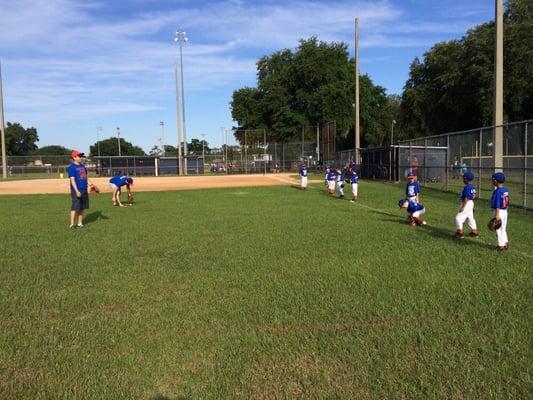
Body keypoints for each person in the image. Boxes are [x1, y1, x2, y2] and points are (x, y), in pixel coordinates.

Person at [67, 150, 96, 228]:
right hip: (77, 190)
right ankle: (72, 224)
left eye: (81, 156)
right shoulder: (72, 167)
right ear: (74, 157)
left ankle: (80, 223)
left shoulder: (83, 166)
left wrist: (92, 185)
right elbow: (72, 180)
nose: (81, 157)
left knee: (82, 207)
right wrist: (76, 191)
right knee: (75, 207)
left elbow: (85, 177)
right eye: (79, 156)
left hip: (84, 189)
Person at [455, 171, 478, 238]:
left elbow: (466, 198)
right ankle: (474, 231)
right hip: (470, 203)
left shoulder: (467, 187)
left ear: (466, 179)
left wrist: (463, 207)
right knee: (470, 218)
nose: (463, 179)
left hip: (466, 203)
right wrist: (471, 207)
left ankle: (460, 233)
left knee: (458, 218)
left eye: (463, 178)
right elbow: (473, 196)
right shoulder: (472, 187)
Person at [490, 172, 510, 251]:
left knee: (498, 228)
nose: (492, 182)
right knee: (503, 228)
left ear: (496, 181)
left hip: (499, 211)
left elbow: (498, 204)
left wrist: (497, 216)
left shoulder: (498, 191)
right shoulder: (505, 190)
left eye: (493, 180)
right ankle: (505, 243)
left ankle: (501, 246)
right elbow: (507, 202)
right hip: (504, 211)